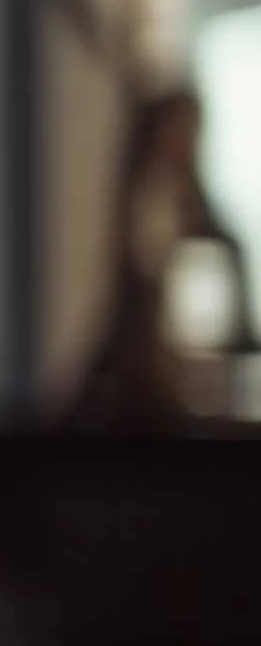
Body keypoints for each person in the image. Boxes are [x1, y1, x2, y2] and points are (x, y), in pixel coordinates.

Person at [69, 88, 255, 429]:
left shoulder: (191, 200)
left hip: (188, 352)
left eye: (190, 130)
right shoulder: (136, 196)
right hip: (140, 349)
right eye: (176, 126)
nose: (181, 139)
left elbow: (227, 251)